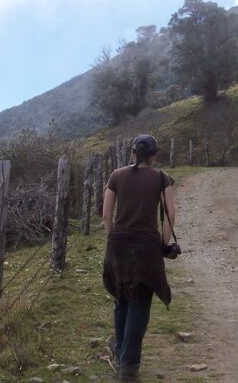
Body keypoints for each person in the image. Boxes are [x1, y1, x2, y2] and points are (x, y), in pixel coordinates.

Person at [102, 134, 176, 381]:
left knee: (122, 297)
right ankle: (128, 365)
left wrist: (114, 238)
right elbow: (170, 215)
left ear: (133, 153)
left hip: (118, 244)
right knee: (140, 302)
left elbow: (106, 215)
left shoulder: (116, 175)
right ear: (154, 156)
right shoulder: (161, 178)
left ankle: (122, 354)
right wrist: (163, 245)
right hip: (146, 247)